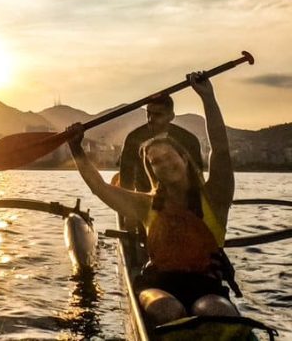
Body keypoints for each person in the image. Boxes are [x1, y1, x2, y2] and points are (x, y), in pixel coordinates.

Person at [65, 73, 238, 326]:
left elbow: (220, 149)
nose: (165, 164)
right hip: (159, 285)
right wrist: (76, 148)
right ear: (152, 171)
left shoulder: (216, 197)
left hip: (206, 286)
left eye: (169, 157)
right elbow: (99, 187)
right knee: (169, 310)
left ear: (184, 158)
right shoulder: (147, 204)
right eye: (155, 162)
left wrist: (208, 97)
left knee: (213, 311)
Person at [120, 94, 203, 192]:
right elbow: (125, 183)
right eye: (148, 113)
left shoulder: (188, 140)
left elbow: (198, 180)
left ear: (171, 116)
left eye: (158, 115)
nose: (150, 119)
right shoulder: (134, 139)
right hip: (145, 200)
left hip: (181, 201)